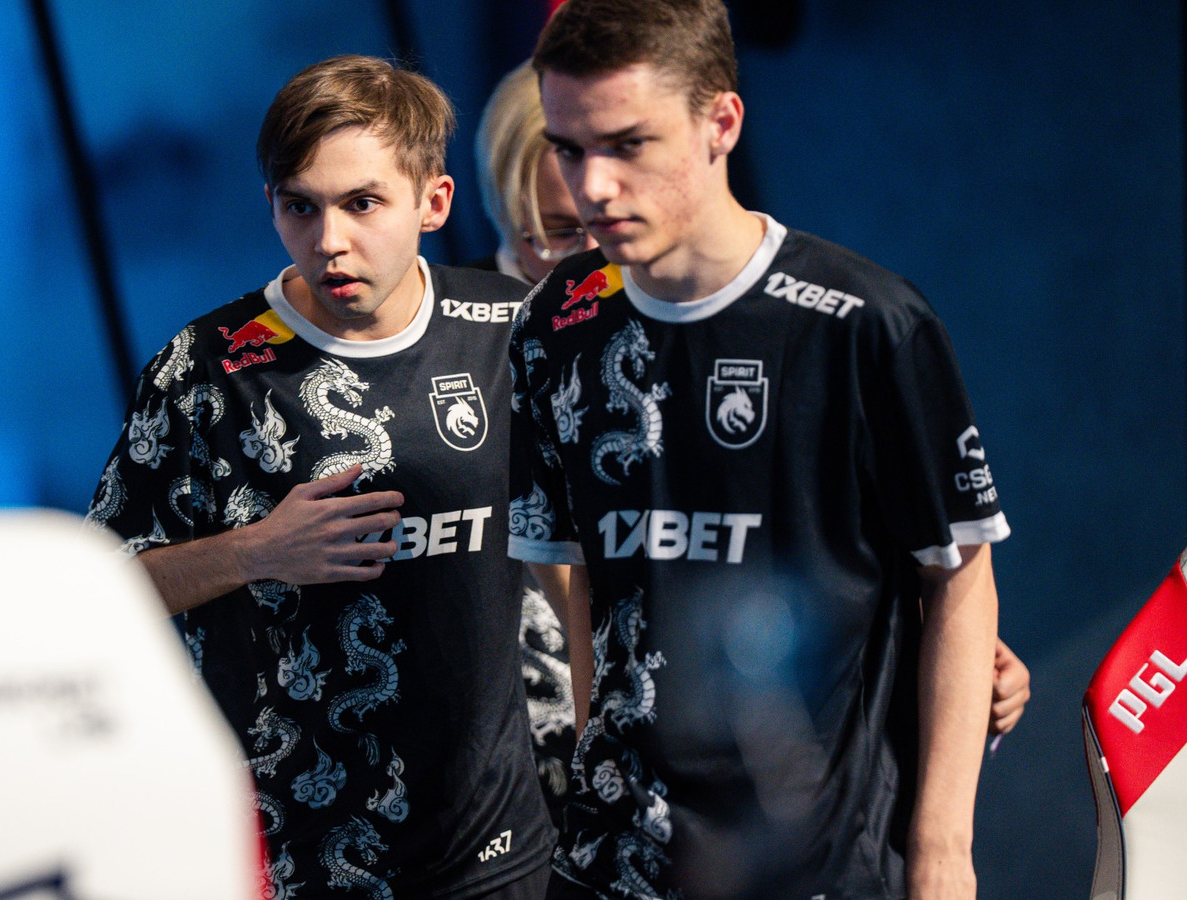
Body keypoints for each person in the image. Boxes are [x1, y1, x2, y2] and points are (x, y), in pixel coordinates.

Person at [504, 2, 1010, 898]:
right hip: (617, 863)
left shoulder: (867, 324)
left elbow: (959, 576)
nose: (595, 188)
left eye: (628, 145)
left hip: (820, 856)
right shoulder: (555, 324)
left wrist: (943, 850)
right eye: (571, 150)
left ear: (721, 123)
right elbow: (578, 580)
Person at [85, 56, 554, 899]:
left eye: (362, 203)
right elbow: (97, 592)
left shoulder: (506, 330)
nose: (329, 240)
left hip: (501, 850)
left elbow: (576, 554)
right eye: (300, 206)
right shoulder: (205, 370)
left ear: (434, 202)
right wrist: (256, 552)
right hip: (298, 860)